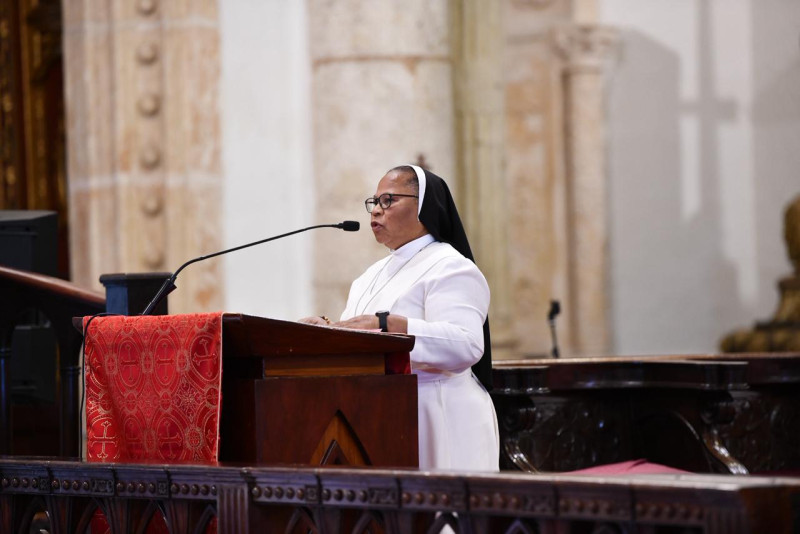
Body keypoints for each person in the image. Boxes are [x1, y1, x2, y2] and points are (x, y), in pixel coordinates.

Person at [302, 164, 499, 471]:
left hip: (438, 413)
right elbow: (359, 339)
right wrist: (326, 332)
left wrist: (392, 326)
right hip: (378, 415)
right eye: (374, 202)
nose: (376, 212)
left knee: (440, 517)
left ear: (423, 206)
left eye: (388, 201)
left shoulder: (451, 266)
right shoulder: (369, 276)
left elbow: (467, 344)